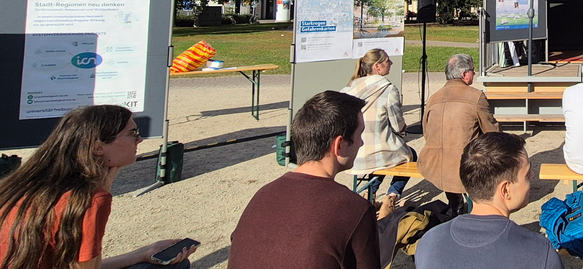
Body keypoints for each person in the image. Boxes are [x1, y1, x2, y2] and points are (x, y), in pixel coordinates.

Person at [0, 106, 196, 269]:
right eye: (132, 133)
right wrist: (104, 191)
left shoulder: (23, 184)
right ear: (98, 147)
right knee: (178, 266)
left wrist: (144, 253)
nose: (140, 140)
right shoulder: (88, 199)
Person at [228, 91, 380, 269]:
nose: (361, 143)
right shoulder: (355, 210)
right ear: (339, 145)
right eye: (359, 135)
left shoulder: (262, 195)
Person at [415, 132, 562, 269]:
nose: (532, 175)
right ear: (505, 190)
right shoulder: (540, 253)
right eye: (527, 173)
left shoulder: (429, 241)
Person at [420, 53, 499, 211]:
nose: (474, 74)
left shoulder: (433, 98)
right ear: (464, 74)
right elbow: (492, 132)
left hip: (434, 165)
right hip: (465, 166)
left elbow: (426, 132)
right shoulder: (476, 96)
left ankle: (455, 204)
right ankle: (472, 208)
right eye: (472, 70)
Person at [341, 48, 416, 208]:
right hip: (377, 153)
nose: (391, 63)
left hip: (355, 153)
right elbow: (397, 124)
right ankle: (392, 195)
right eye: (387, 60)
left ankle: (370, 191)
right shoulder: (388, 90)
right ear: (377, 66)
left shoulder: (349, 89)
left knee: (384, 156)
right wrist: (402, 130)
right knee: (408, 154)